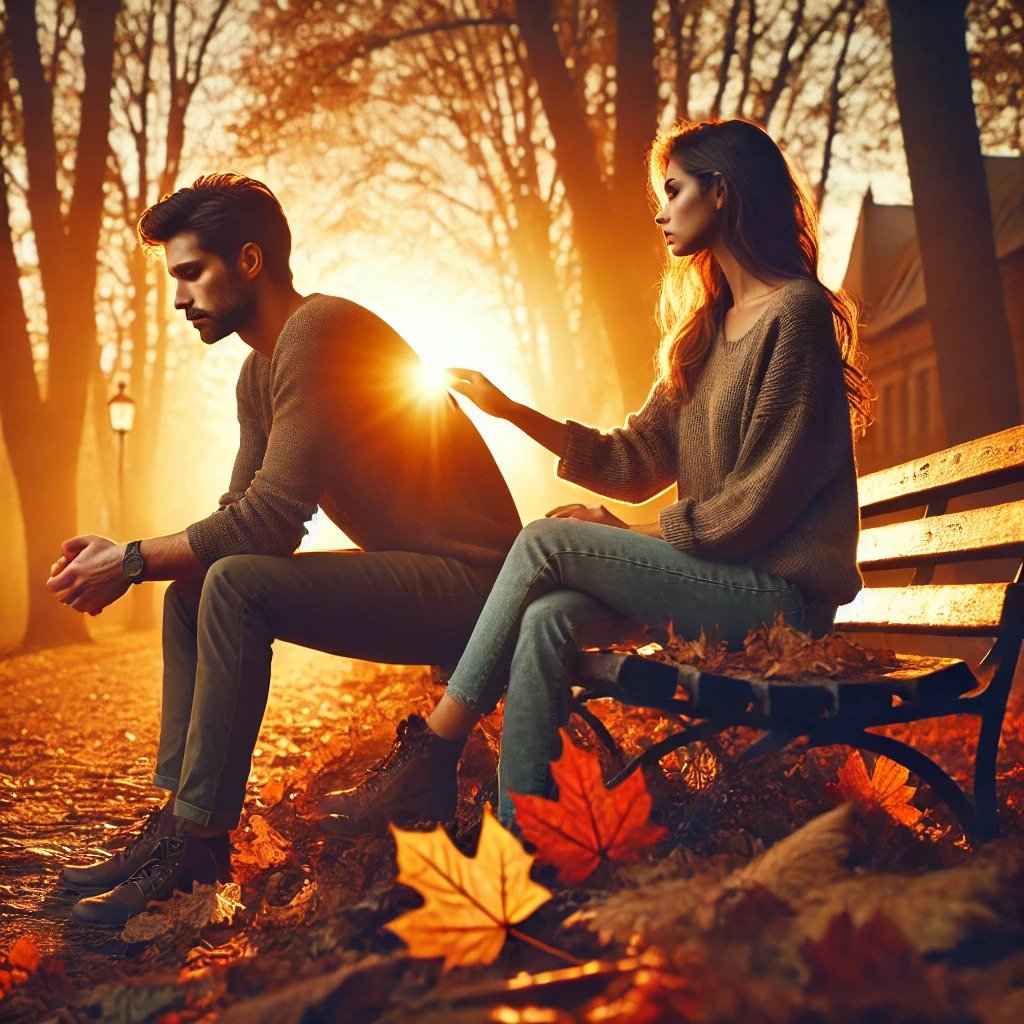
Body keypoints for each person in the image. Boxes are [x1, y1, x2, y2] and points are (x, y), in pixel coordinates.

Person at [317, 117, 873, 834]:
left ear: (722, 191)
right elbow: (634, 460)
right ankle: (526, 840)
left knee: (548, 542)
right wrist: (514, 411)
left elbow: (761, 503)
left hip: (778, 601)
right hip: (717, 581)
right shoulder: (708, 329)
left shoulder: (795, 315)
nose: (660, 210)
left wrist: (633, 532)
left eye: (674, 190)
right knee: (547, 619)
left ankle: (432, 754)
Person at [46, 174, 522, 925]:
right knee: (198, 588)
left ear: (250, 260)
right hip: (426, 581)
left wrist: (130, 559)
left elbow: (270, 526)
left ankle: (200, 842)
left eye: (191, 273)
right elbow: (239, 514)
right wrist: (132, 558)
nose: (179, 298)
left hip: (482, 591)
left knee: (235, 584)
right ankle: (179, 822)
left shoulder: (321, 331)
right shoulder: (257, 370)